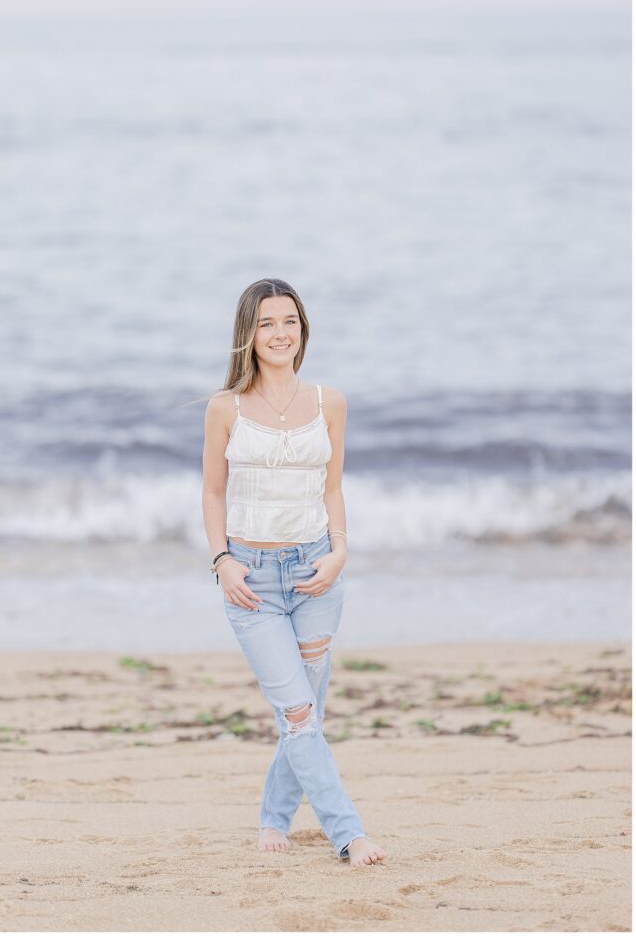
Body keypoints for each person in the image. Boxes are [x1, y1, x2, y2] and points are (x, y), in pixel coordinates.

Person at [201, 277, 386, 868]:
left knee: (303, 711)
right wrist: (222, 560)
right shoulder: (224, 408)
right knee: (300, 713)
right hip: (251, 581)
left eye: (289, 322)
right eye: (266, 324)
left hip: (315, 574)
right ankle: (349, 835)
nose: (279, 334)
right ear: (248, 334)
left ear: (302, 329)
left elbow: (332, 488)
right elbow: (212, 491)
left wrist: (340, 552)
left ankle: (274, 820)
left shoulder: (329, 401)